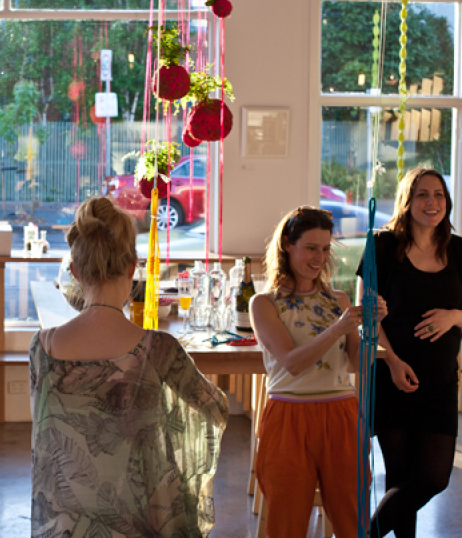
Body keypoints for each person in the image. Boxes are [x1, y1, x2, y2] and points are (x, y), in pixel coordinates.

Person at [30, 196, 228, 537]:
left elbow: (47, 438)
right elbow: (215, 408)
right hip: (137, 522)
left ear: (75, 272)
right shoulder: (159, 349)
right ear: (132, 266)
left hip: (66, 524)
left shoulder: (42, 347)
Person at [249, 206, 385, 538]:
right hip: (288, 417)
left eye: (325, 249)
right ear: (287, 245)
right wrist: (337, 328)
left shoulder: (338, 300)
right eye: (311, 248)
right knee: (286, 522)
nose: (320, 258)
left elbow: (358, 364)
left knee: (352, 520)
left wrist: (373, 328)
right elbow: (292, 363)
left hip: (341, 414)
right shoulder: (264, 303)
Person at [356, 167, 460, 538]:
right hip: (392, 376)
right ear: (407, 201)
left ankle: (366, 534)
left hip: (441, 382)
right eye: (423, 194)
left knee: (433, 477)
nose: (432, 202)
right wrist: (392, 361)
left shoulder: (459, 249)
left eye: (439, 194)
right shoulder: (382, 246)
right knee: (399, 476)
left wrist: (454, 316)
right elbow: (367, 313)